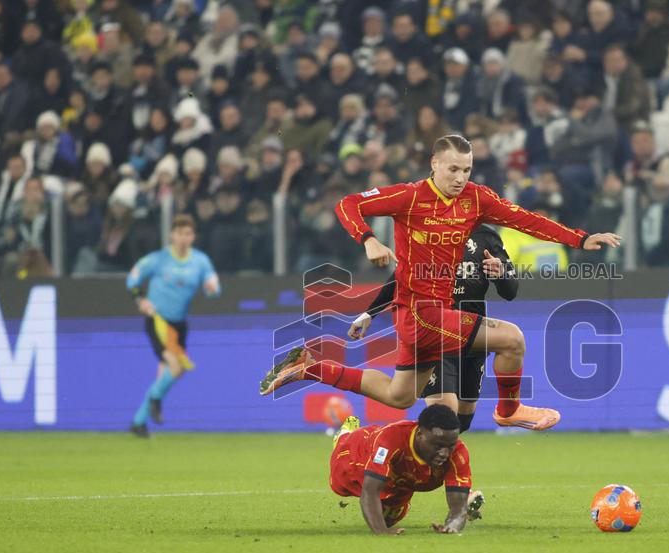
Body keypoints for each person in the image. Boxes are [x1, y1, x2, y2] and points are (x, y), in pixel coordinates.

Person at [259, 134, 620, 430]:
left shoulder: (475, 199)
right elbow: (348, 203)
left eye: (466, 169)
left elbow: (523, 219)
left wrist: (579, 238)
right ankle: (509, 411)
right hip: (419, 313)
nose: (460, 177)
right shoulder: (410, 197)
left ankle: (309, 367)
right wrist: (368, 239)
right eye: (453, 169)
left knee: (400, 395)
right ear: (434, 165)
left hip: (428, 315)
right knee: (512, 340)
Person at [348, 225, 518, 433]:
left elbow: (510, 291)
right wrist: (370, 313)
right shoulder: (428, 231)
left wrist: (500, 274)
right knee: (444, 418)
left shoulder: (486, 236)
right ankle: (383, 444)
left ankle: (412, 452)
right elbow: (402, 277)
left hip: (473, 336)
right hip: (435, 334)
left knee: (461, 423)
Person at [126, 214, 220, 437]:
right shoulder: (158, 259)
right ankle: (155, 401)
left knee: (169, 373)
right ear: (172, 235)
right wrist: (141, 300)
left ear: (193, 236)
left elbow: (214, 289)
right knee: (176, 367)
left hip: (180, 324)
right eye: (179, 234)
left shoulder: (200, 261)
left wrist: (211, 289)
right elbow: (132, 279)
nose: (183, 238)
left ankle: (138, 422)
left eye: (188, 234)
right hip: (158, 321)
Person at [329, 404, 482, 535]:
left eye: (450, 446)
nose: (444, 453)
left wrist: (451, 527)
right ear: (420, 434)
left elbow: (458, 510)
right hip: (358, 456)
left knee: (389, 519)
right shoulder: (390, 439)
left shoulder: (458, 453)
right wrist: (382, 533)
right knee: (340, 484)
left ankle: (465, 492)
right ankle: (344, 436)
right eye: (438, 446)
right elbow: (370, 491)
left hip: (402, 482)